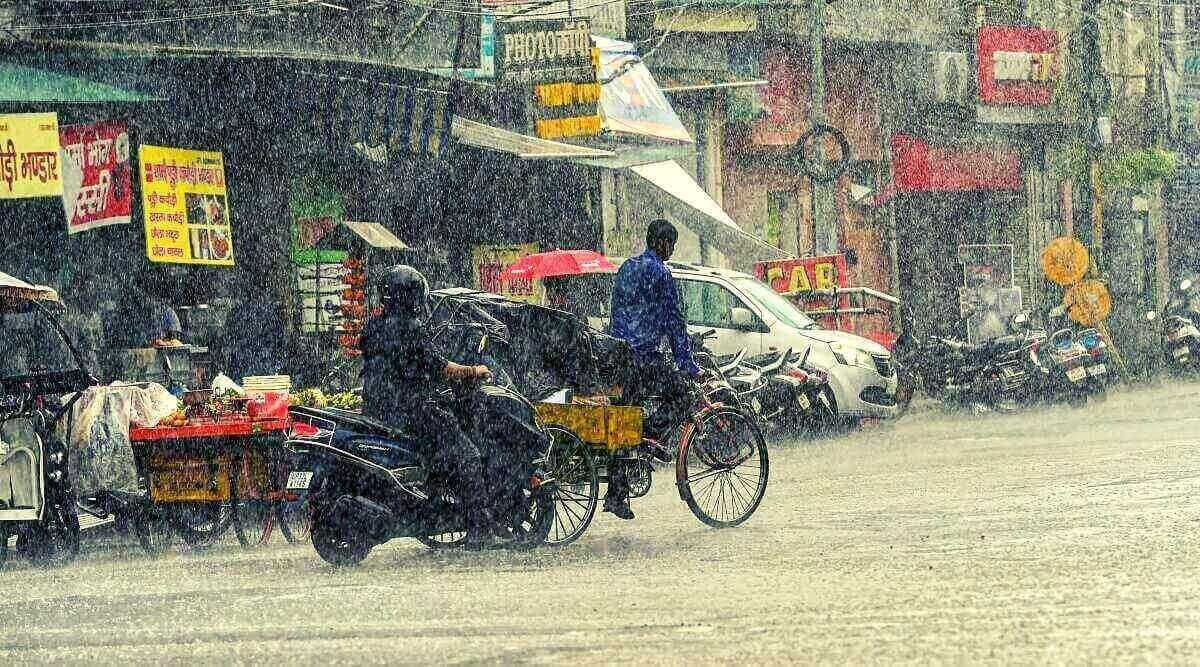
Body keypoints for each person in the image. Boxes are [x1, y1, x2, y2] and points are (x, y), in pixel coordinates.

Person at [360, 265, 498, 549]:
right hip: (413, 411)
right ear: (411, 297)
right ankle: (480, 528)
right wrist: (475, 370)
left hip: (377, 409)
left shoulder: (373, 328)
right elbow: (441, 367)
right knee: (469, 456)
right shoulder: (411, 328)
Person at [606, 219, 702, 519]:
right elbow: (674, 321)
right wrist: (687, 363)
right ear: (661, 243)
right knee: (683, 396)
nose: (671, 250)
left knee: (623, 420)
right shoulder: (660, 272)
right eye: (671, 244)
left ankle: (616, 494)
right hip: (645, 357)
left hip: (620, 356)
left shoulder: (626, 268)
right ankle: (650, 435)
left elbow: (617, 312)